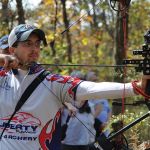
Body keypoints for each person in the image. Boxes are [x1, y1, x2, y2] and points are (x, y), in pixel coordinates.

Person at [0, 24, 148, 150]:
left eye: (37, 44)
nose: (35, 49)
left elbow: (91, 89)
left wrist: (136, 87)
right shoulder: (2, 78)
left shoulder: (54, 82)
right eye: (27, 44)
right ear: (12, 50)